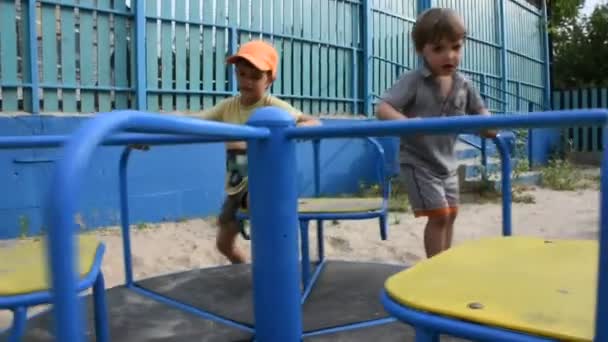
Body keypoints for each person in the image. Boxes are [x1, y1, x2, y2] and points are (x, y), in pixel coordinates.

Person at [375, 8, 497, 258]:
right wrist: (408, 123)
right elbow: (383, 108)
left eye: (455, 47)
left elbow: (480, 110)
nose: (449, 55)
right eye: (438, 49)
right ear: (422, 51)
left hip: (447, 163)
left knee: (451, 213)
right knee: (439, 215)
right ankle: (434, 267)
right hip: (418, 162)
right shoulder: (414, 81)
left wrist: (488, 125)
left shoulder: (464, 84)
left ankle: (444, 263)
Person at [198, 40, 321, 263]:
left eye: (255, 77)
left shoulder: (272, 106)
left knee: (263, 214)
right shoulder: (227, 107)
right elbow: (193, 126)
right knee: (223, 244)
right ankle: (245, 267)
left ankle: (285, 267)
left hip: (265, 185)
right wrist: (152, 135)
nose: (246, 81)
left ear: (269, 80)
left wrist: (298, 129)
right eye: (242, 74)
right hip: (236, 187)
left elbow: (313, 121)